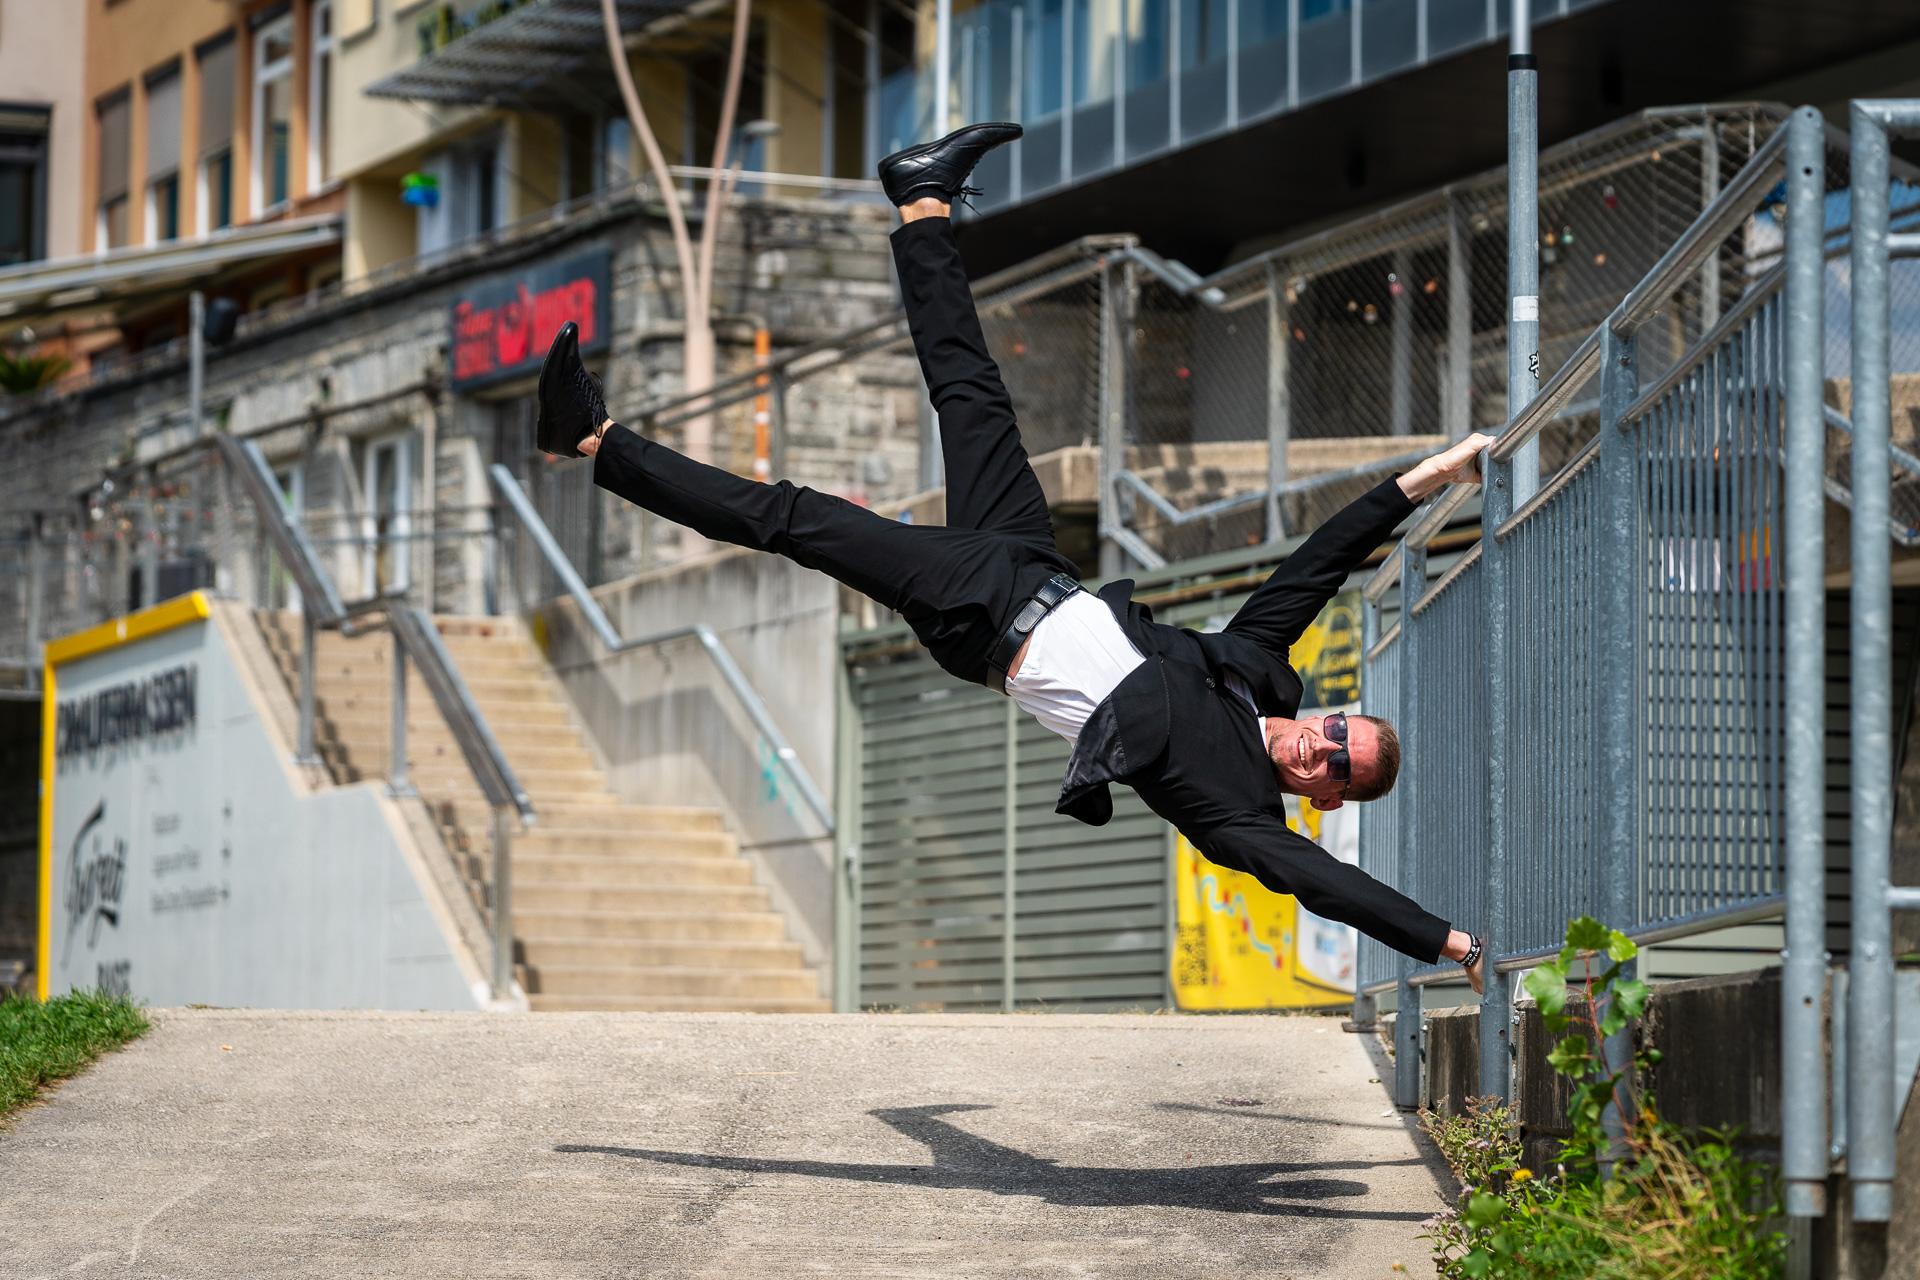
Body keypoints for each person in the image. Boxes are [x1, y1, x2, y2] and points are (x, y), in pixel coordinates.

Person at [534, 122, 1489, 992]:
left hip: (985, 620)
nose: (1320, 741)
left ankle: (591, 439)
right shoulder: (1253, 674)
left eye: (1336, 762)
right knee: (974, 393)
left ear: (1323, 796)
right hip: (1031, 566)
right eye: (1338, 728)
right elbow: (1314, 567)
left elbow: (1332, 890)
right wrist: (1425, 478)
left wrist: (1449, 942)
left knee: (798, 517)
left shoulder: (1240, 815)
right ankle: (923, 202)